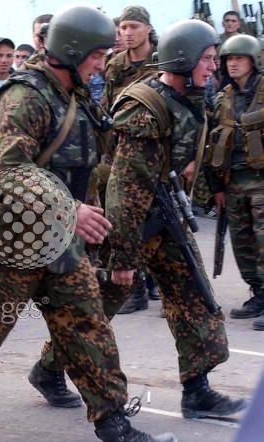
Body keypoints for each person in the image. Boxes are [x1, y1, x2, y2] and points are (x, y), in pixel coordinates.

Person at [0, 6, 176, 442]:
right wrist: (71, 208)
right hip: (16, 238)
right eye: (96, 56)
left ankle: (115, 430)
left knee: (89, 327)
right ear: (72, 51)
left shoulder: (74, 94)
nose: (101, 65)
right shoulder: (24, 97)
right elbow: (10, 170)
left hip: (62, 241)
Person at [106, 19, 248, 418]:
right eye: (207, 59)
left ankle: (197, 389)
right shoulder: (146, 108)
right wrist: (123, 256)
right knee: (96, 305)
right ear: (183, 59)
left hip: (165, 214)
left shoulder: (194, 97)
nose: (214, 67)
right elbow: (125, 188)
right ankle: (50, 368)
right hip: (132, 221)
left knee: (194, 295)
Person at [101, 6, 161, 315]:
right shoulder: (115, 66)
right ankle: (134, 290)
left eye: (133, 26)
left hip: (154, 154)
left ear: (147, 29)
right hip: (120, 154)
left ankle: (159, 285)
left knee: (158, 225)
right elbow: (106, 108)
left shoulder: (162, 61)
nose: (127, 33)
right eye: (123, 27)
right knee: (124, 222)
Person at [205, 34, 264, 330]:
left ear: (253, 61)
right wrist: (216, 188)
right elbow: (211, 142)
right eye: (229, 59)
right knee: (242, 243)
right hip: (233, 181)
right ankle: (258, 293)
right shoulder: (222, 97)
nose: (233, 63)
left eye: (239, 58)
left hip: (261, 179)